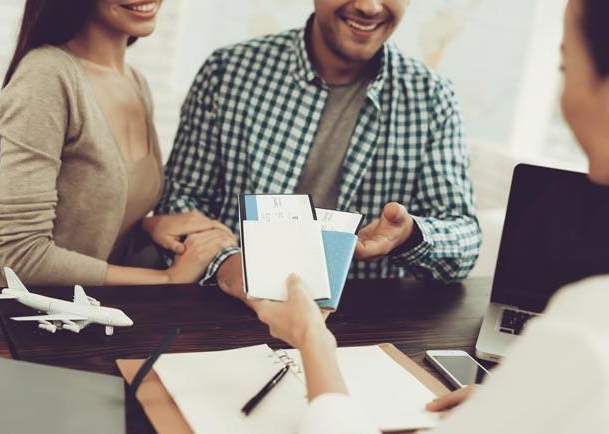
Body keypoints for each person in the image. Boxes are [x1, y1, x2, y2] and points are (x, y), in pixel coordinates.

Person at [253, 0, 609, 432]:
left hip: (348, 340)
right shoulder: (234, 72)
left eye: (564, 67)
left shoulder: (586, 325)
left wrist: (313, 341)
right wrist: (516, 402)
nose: (368, 5)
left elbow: (461, 234)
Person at [153, 0, 482, 300]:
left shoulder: (432, 97)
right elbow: (180, 203)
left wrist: (409, 235)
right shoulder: (228, 72)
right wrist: (230, 267)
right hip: (222, 308)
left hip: (361, 323)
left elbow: (462, 242)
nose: (369, 7)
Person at [0, 0, 236, 290]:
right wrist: (168, 278)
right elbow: (23, 257)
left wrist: (147, 227)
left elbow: (89, 230)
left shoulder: (135, 83)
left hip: (68, 316)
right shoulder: (46, 75)